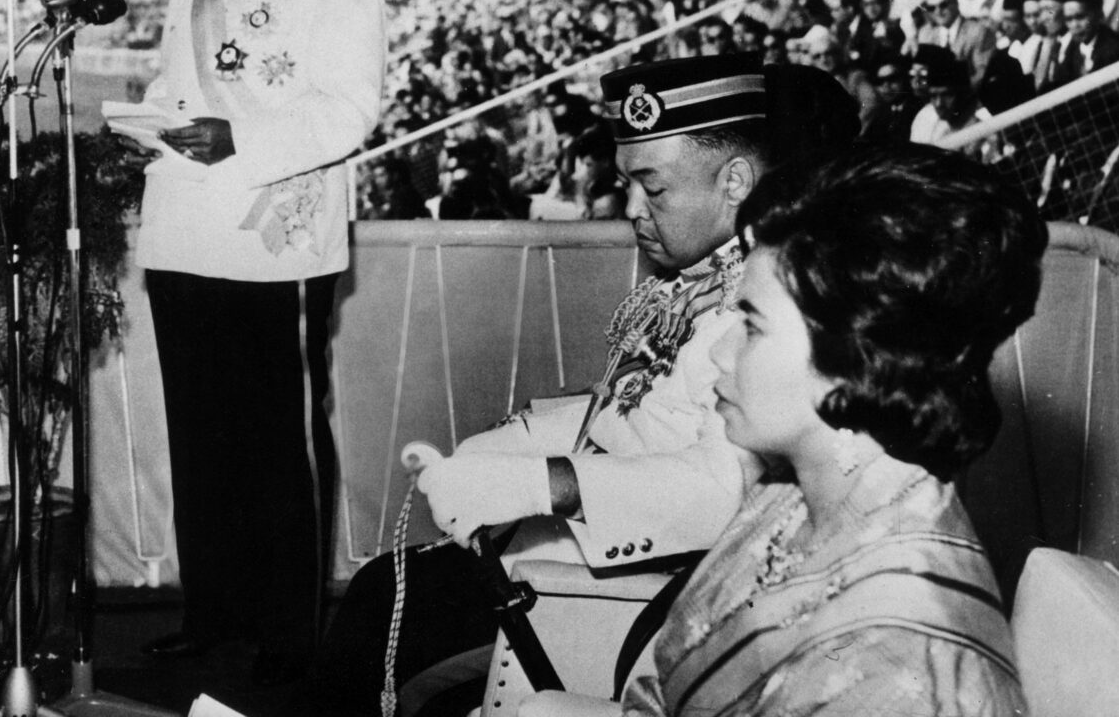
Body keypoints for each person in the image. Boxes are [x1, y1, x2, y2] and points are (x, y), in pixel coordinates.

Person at [314, 58, 859, 717]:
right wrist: (502, 448)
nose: (632, 211)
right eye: (626, 185)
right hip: (564, 555)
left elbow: (723, 488)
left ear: (736, 180)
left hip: (608, 594)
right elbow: (625, 410)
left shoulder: (758, 307)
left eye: (652, 190)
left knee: (386, 615)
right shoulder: (690, 283)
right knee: (381, 589)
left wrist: (542, 482)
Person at [521, 144, 1047, 717]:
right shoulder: (791, 494)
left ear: (855, 361)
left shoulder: (902, 665)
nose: (722, 351)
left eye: (751, 324)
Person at [127, 0, 387, 679]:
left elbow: (351, 109)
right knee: (201, 435)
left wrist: (240, 140)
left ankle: (285, 631)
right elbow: (176, 84)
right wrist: (149, 124)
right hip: (186, 233)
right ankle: (214, 612)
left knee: (278, 441)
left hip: (275, 236)